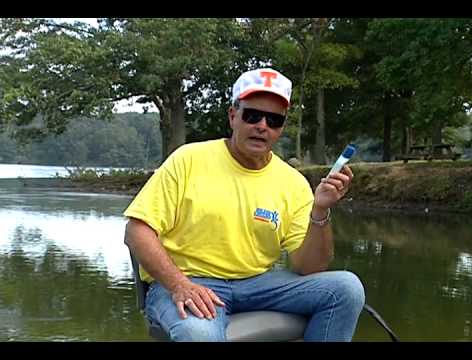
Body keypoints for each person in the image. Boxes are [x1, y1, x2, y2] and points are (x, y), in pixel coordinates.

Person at [123, 68, 365, 342]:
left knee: (346, 288)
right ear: (232, 116)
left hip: (259, 284)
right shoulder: (188, 160)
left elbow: (309, 268)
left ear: (281, 128)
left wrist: (320, 211)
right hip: (190, 279)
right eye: (252, 115)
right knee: (197, 333)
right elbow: (136, 231)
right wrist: (179, 284)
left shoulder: (294, 183)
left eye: (274, 120)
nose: (262, 125)